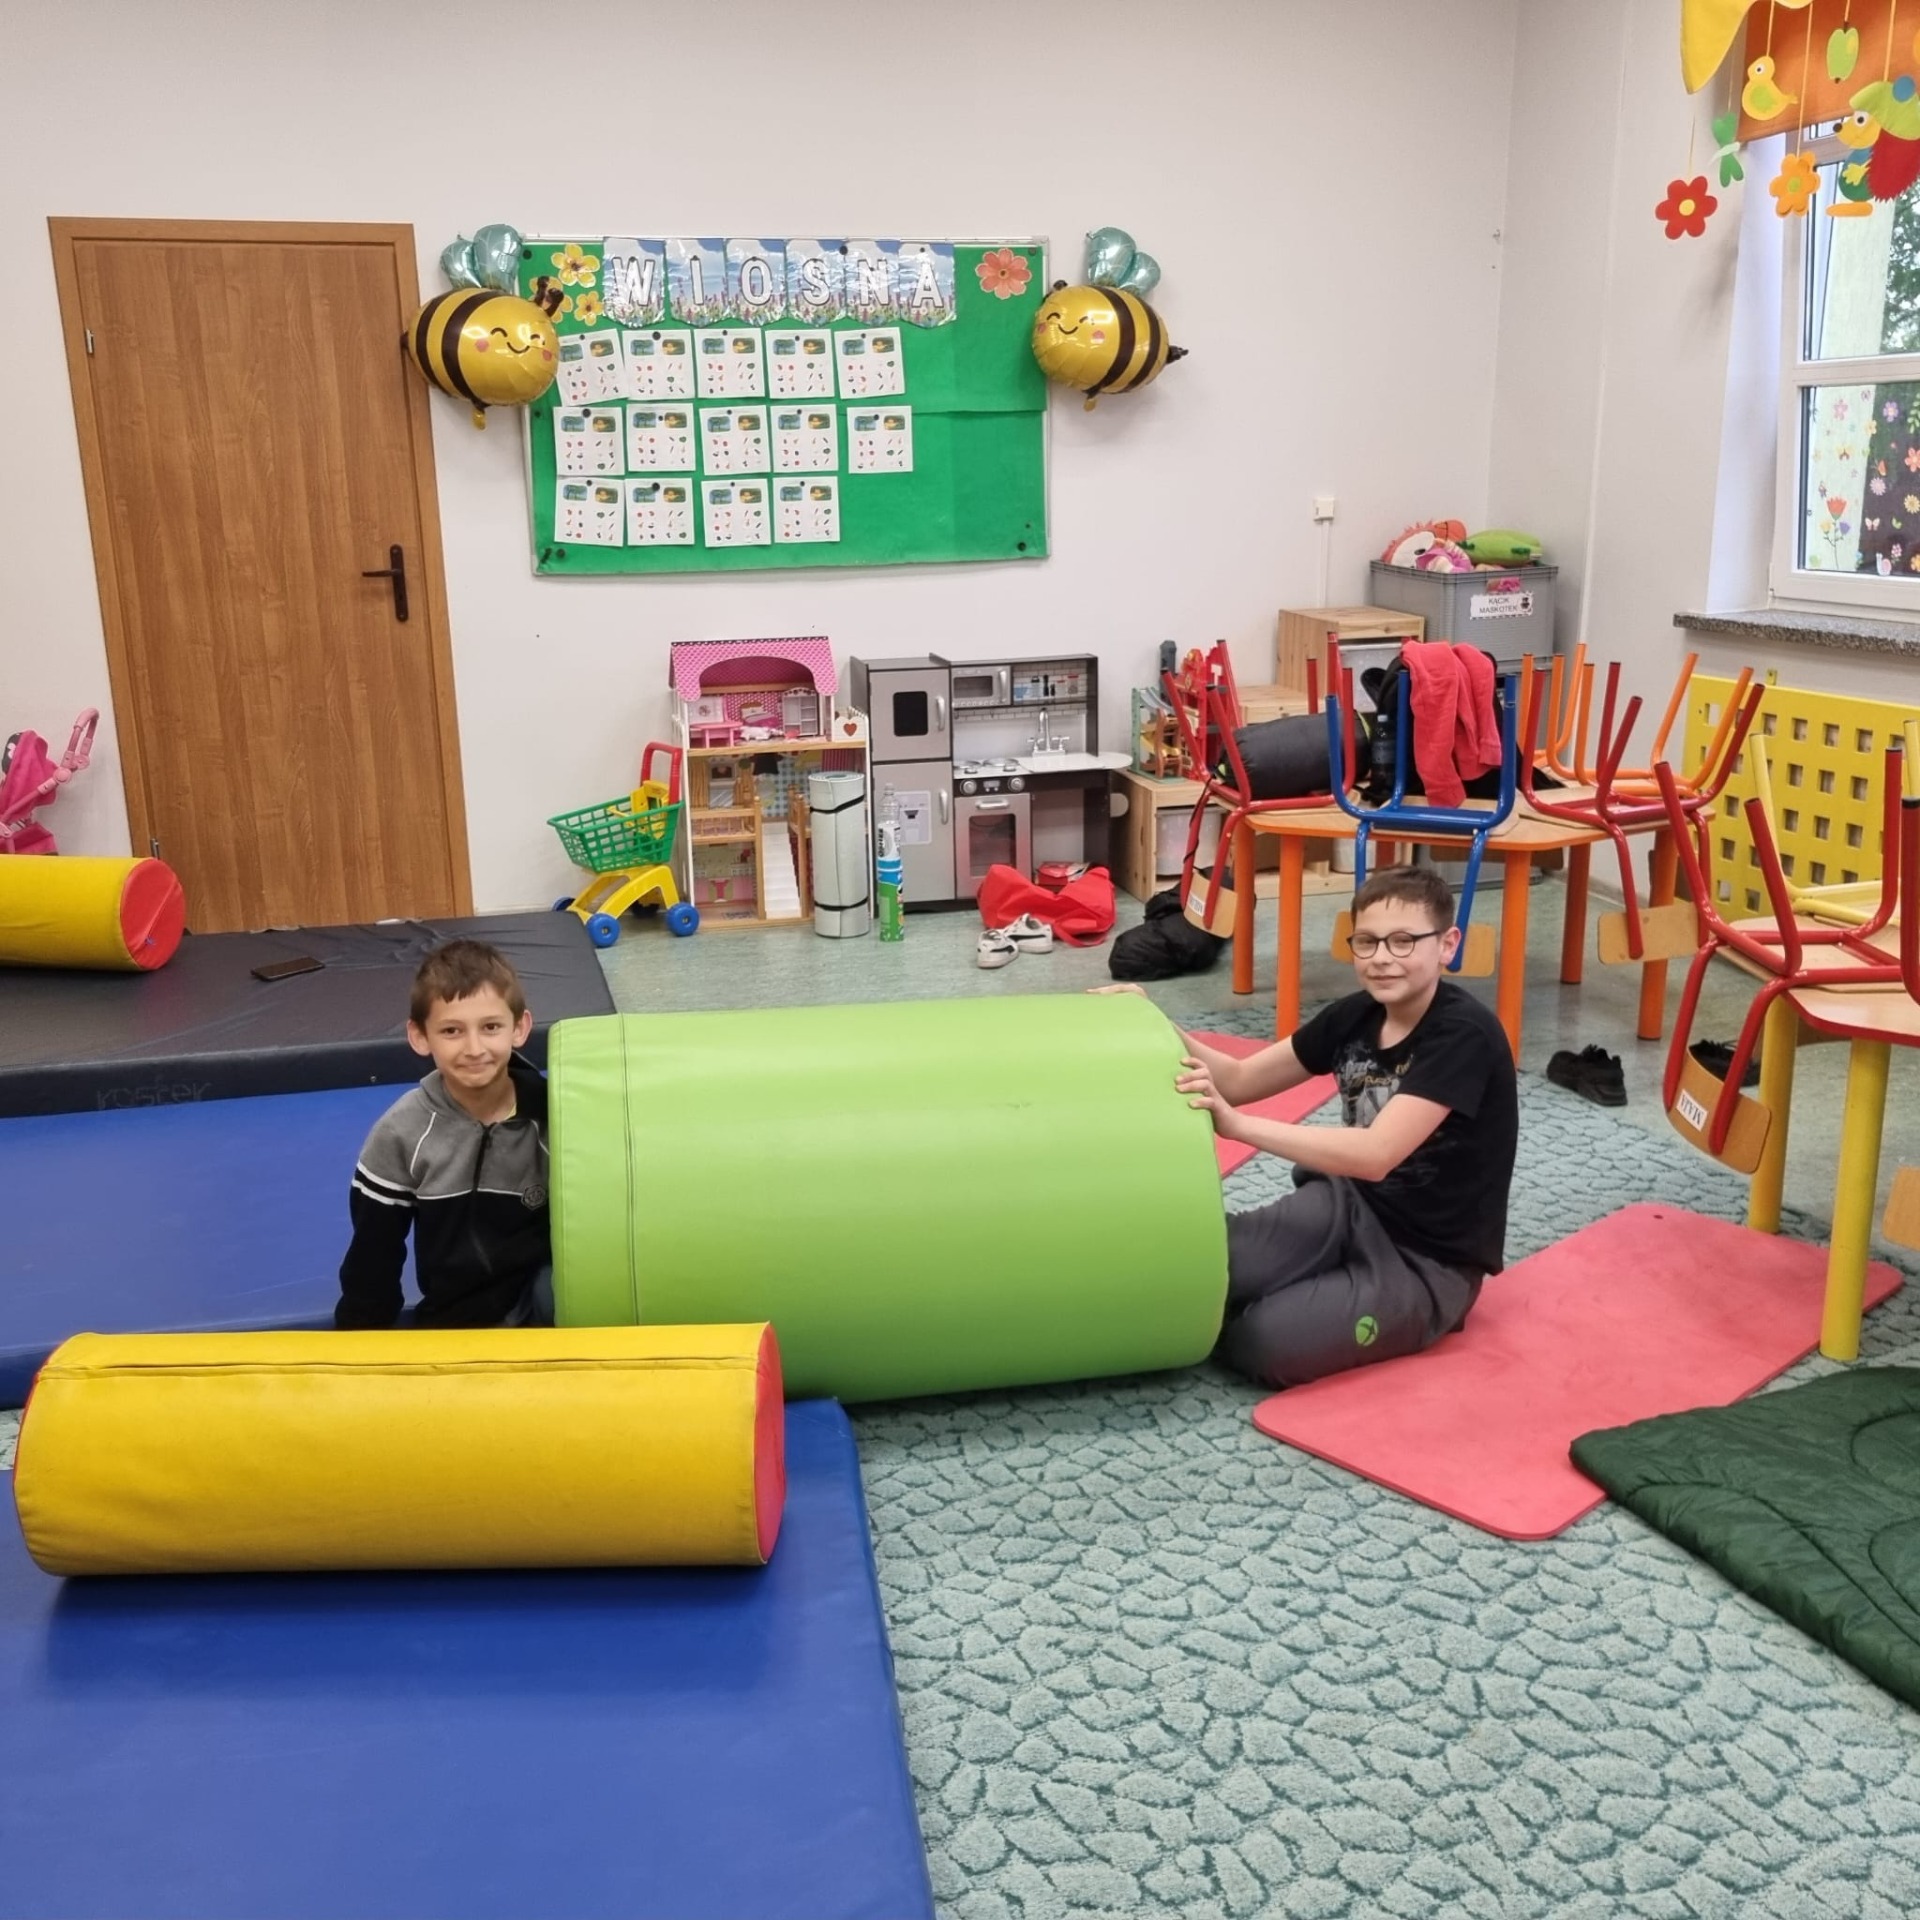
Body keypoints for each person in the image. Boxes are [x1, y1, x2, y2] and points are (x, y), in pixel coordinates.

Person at [1104, 864, 1517, 1388]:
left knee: (1261, 1343)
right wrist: (1157, 1022)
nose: (1382, 957)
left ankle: (1344, 1299)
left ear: (1447, 945)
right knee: (1198, 1266)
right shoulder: (1355, 1015)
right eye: (1367, 942)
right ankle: (1314, 1280)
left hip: (1426, 1260)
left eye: (1404, 941)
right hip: (1347, 1203)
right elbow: (1239, 1078)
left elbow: (1376, 1154)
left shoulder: (1464, 1034)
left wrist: (1239, 1127)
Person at [336, 939, 553, 1331]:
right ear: (420, 1036)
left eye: (491, 1027)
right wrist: (359, 1341)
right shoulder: (402, 1132)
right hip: (453, 1321)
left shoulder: (554, 1117)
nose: (474, 1048)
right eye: (452, 1030)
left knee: (550, 1290)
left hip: (547, 1313)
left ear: (519, 1028)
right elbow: (374, 1253)